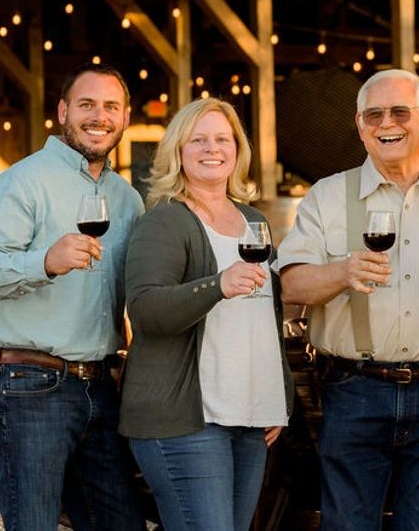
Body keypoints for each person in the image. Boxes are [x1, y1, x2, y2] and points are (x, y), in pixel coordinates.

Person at [275, 69, 419, 530]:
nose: (385, 123)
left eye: (399, 112)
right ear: (359, 126)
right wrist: (342, 271)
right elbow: (291, 286)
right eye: (373, 115)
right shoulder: (329, 195)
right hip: (353, 390)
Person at [0, 63, 146, 530]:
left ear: (125, 117)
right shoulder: (23, 182)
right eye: (86, 105)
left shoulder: (128, 200)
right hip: (31, 385)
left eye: (111, 107)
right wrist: (44, 261)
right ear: (63, 111)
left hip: (102, 389)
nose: (99, 117)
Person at [119, 98, 293, 531]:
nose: (211, 148)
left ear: (237, 149)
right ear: (178, 151)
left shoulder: (253, 221)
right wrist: (216, 285)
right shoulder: (165, 220)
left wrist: (280, 395)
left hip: (248, 416)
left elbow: (265, 320)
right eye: (197, 140)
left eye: (221, 138)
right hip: (187, 421)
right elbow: (145, 310)